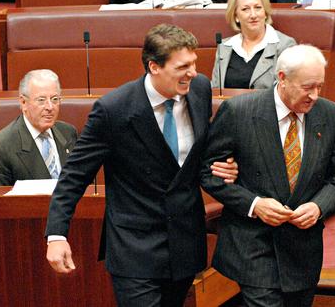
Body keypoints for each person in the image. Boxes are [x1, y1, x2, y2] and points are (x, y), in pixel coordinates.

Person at [45, 24, 237, 307]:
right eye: (183, 66)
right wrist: (56, 234)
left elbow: (195, 156)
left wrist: (221, 166)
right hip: (135, 247)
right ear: (154, 67)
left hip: (183, 241)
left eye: (194, 63)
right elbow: (75, 175)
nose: (193, 72)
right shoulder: (114, 109)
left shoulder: (199, 89)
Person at [201, 44, 335, 307]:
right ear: (282, 78)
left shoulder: (331, 115)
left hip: (303, 250)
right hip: (254, 246)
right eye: (307, 87)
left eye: (319, 86)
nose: (315, 95)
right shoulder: (239, 112)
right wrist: (255, 205)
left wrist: (318, 206)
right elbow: (209, 172)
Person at [0, 69, 77, 186]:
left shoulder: (68, 133)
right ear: (23, 102)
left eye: (55, 99)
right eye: (41, 100)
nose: (50, 107)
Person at [211, 0, 296, 89]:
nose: (253, 15)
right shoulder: (224, 47)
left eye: (258, 8)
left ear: (265, 12)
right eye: (245, 9)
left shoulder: (285, 45)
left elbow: (288, 92)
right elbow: (215, 89)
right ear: (236, 15)